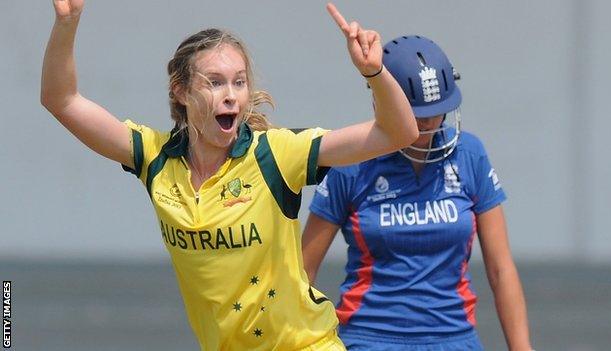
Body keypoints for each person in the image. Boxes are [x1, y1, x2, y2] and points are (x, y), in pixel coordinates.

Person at [40, 1, 420, 350]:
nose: (231, 96)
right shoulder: (154, 158)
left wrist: (374, 71)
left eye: (239, 82)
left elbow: (398, 133)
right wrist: (67, 23)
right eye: (215, 82)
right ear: (181, 91)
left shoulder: (276, 154)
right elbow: (62, 100)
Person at [302, 35, 533, 351]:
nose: (427, 123)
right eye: (415, 113)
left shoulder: (470, 154)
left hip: (455, 339)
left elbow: (500, 268)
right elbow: (304, 270)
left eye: (437, 111)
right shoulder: (351, 159)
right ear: (382, 100)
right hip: (369, 339)